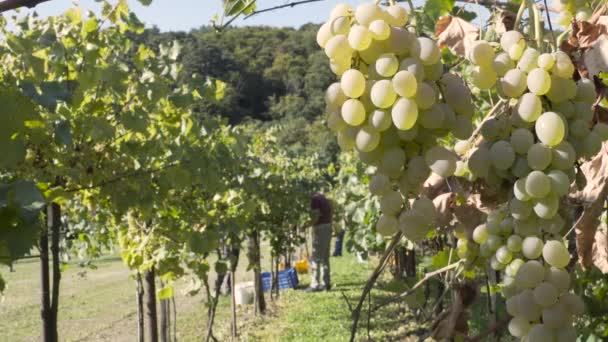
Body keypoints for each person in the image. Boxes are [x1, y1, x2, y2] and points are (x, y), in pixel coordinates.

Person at [305, 193, 333, 292]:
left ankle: (314, 285)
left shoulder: (315, 200)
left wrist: (306, 225)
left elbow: (315, 217)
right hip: (328, 226)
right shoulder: (322, 197)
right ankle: (326, 283)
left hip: (321, 228)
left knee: (316, 257)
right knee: (325, 256)